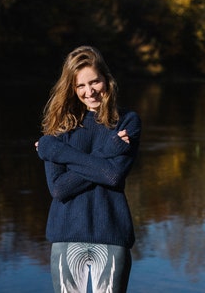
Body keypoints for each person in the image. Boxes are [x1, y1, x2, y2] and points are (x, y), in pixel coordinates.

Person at [35, 46, 141, 293]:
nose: (89, 91)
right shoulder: (57, 128)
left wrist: (57, 152)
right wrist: (108, 153)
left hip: (112, 234)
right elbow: (59, 189)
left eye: (95, 82)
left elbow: (113, 176)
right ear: (71, 88)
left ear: (107, 80)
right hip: (66, 235)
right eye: (80, 85)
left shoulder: (127, 122)